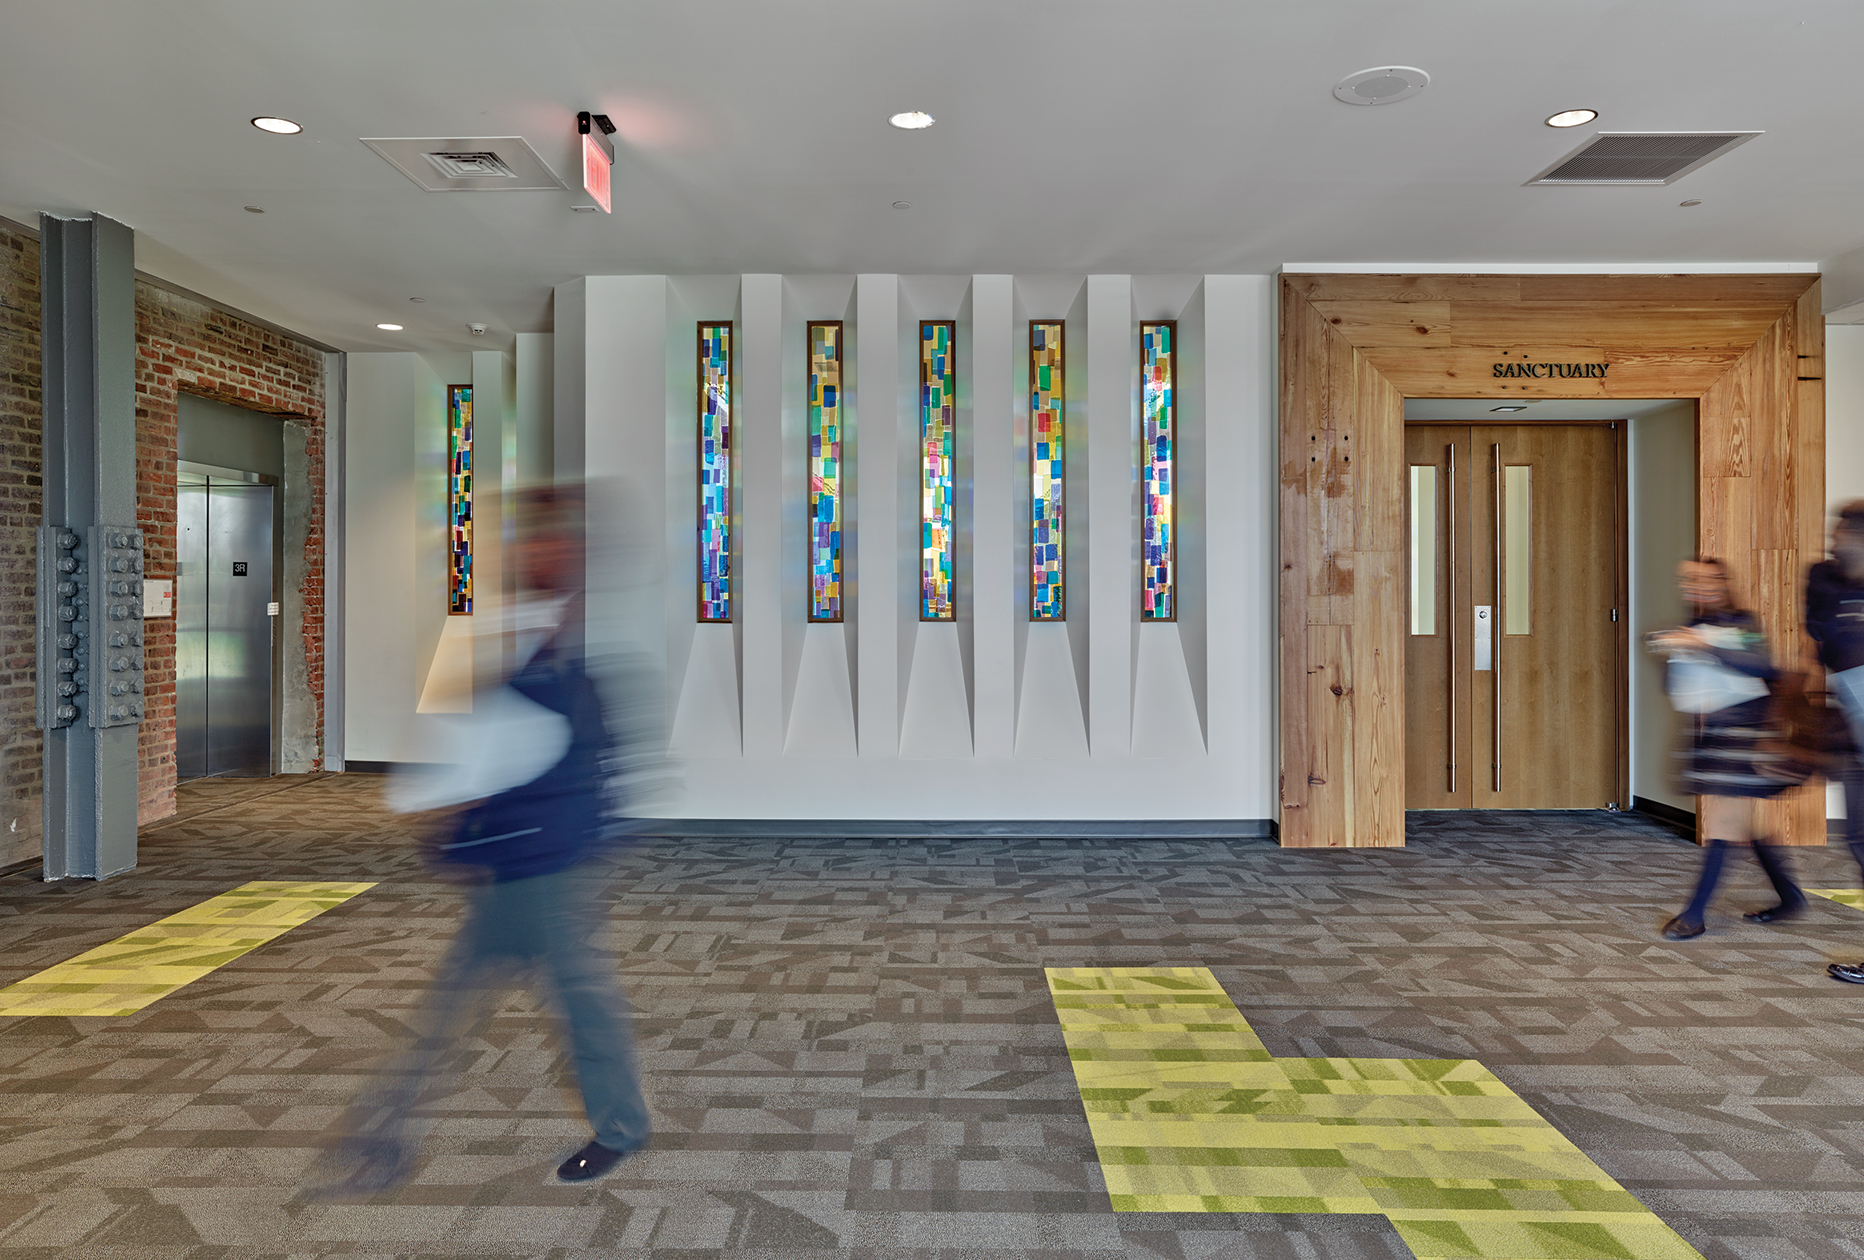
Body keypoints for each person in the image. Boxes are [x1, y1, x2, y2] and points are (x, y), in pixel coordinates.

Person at [316, 484, 652, 1194]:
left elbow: (529, 746)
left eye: (547, 539)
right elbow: (479, 738)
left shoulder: (558, 646)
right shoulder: (523, 632)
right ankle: (385, 1131)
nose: (531, 550)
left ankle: (620, 1128)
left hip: (548, 863)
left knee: (578, 1003)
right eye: (529, 539)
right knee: (455, 1001)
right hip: (513, 858)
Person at [1650, 557, 1804, 940]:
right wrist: (1672, 649)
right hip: (1716, 737)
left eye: (1702, 579)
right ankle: (1790, 896)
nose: (1694, 586)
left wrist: (1702, 646)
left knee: (1724, 824)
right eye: (1688, 579)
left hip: (1748, 734)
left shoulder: (1743, 623)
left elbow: (1762, 664)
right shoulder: (1690, 627)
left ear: (1721, 582)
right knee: (1744, 826)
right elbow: (1676, 689)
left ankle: (1694, 914)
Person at [1811, 503, 1864, 983]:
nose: (1833, 540)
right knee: (1861, 842)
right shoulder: (1831, 585)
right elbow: (1821, 640)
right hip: (1854, 737)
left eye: (1842, 532)